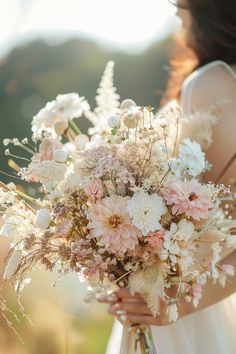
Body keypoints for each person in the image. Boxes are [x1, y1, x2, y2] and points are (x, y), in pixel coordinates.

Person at [97, 1, 236, 353]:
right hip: (195, 298)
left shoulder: (212, 82)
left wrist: (176, 303)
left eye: (180, 7)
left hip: (180, 307)